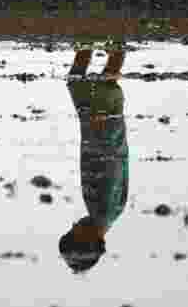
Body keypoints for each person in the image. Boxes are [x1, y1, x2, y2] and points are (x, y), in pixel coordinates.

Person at [59, 44, 129, 274]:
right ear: (87, 239)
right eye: (74, 232)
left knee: (76, 82)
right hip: (103, 125)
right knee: (99, 83)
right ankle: (116, 46)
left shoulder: (103, 214)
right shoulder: (104, 210)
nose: (73, 225)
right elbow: (114, 165)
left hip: (100, 125)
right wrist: (102, 127)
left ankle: (87, 43)